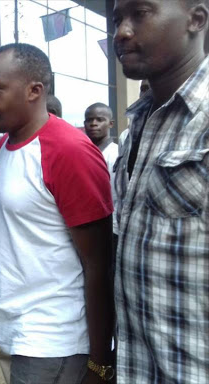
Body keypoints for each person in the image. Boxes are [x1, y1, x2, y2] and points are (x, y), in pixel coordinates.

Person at [0, 43, 115, 383]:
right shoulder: (4, 146)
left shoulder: (69, 151)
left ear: (34, 91)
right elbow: (13, 215)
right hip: (15, 328)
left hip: (52, 341)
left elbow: (99, 263)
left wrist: (101, 364)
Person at [112, 0, 209, 382]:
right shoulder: (139, 123)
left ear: (195, 20)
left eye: (141, 13)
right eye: (118, 18)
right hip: (139, 367)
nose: (121, 31)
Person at [84, 103, 119, 256]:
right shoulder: (81, 152)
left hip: (110, 230)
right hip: (84, 227)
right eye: (89, 120)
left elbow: (118, 194)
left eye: (99, 119)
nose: (93, 124)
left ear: (110, 124)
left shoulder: (116, 154)